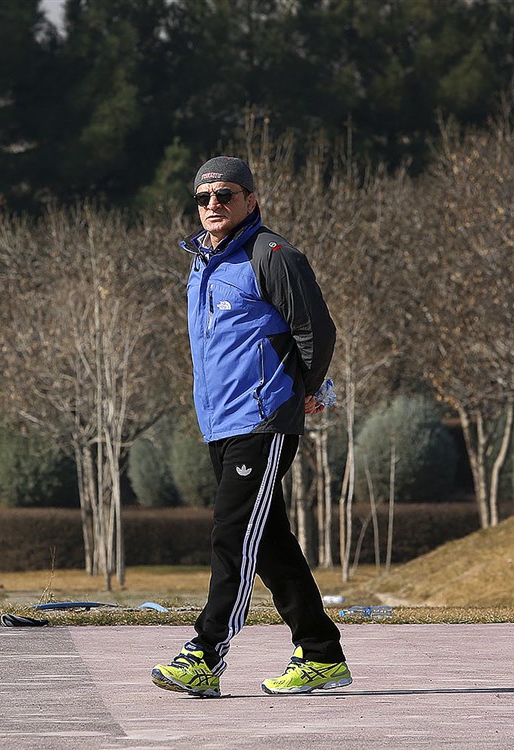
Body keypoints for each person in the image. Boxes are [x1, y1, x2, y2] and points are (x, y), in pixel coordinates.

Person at [150, 156, 350, 698]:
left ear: (251, 201)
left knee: (232, 534)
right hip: (220, 423)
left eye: (226, 195)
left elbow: (316, 329)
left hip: (262, 419)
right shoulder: (202, 264)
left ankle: (205, 653)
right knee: (268, 543)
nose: (213, 204)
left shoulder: (273, 255)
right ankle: (321, 653)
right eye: (204, 197)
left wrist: (308, 388)